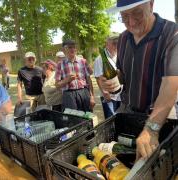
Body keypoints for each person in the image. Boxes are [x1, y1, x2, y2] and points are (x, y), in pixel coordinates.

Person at [101, 0, 178, 159]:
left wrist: (151, 129)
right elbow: (122, 74)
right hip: (127, 115)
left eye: (137, 13)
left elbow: (170, 86)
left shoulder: (172, 34)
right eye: (124, 16)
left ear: (151, 4)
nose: (131, 22)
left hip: (160, 119)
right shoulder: (122, 38)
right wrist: (114, 79)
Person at [55, 40, 95, 112]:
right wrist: (66, 80)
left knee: (88, 116)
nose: (73, 49)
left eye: (74, 47)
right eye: (70, 47)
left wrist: (92, 97)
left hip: (84, 92)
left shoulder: (83, 61)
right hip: (68, 95)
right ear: (64, 50)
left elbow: (89, 80)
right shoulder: (60, 64)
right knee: (73, 119)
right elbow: (57, 85)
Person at [94, 35, 122, 119]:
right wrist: (105, 94)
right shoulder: (100, 59)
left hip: (121, 94)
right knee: (111, 120)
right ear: (107, 44)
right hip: (109, 96)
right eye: (114, 43)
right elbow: (98, 78)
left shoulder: (119, 55)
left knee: (120, 119)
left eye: (117, 43)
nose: (116, 45)